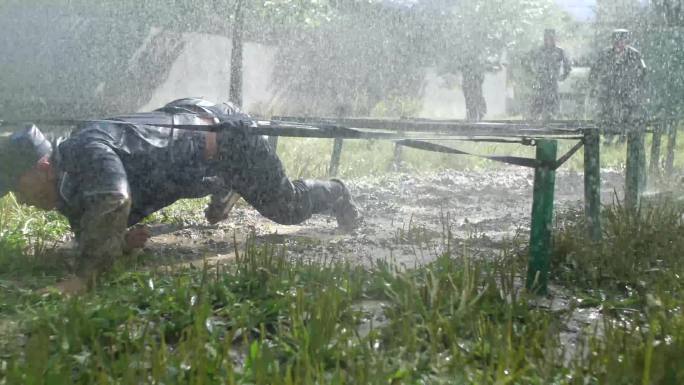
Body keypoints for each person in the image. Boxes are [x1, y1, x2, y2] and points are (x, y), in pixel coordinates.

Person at [0, 98, 360, 281]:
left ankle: (337, 191)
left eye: (18, 188)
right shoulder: (66, 190)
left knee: (288, 209)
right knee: (170, 179)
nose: (21, 200)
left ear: (42, 166)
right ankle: (223, 185)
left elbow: (113, 200)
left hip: (224, 136)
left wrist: (85, 278)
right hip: (193, 158)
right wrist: (119, 243)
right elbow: (92, 226)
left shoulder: (83, 150)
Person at [588, 29, 647, 144]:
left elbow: (643, 69)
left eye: (622, 40)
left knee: (626, 113)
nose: (619, 43)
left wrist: (636, 84)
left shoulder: (633, 54)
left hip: (627, 88)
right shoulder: (606, 53)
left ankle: (623, 136)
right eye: (616, 41)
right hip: (609, 87)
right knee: (606, 113)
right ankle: (608, 137)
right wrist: (594, 84)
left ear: (626, 41)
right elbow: (595, 69)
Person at [527, 29, 572, 120]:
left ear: (554, 38)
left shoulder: (559, 51)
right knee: (538, 102)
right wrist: (533, 74)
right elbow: (528, 61)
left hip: (552, 82)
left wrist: (563, 76)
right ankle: (536, 120)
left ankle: (551, 118)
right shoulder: (539, 51)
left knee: (552, 103)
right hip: (540, 81)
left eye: (551, 37)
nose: (549, 40)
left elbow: (567, 65)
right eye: (547, 37)